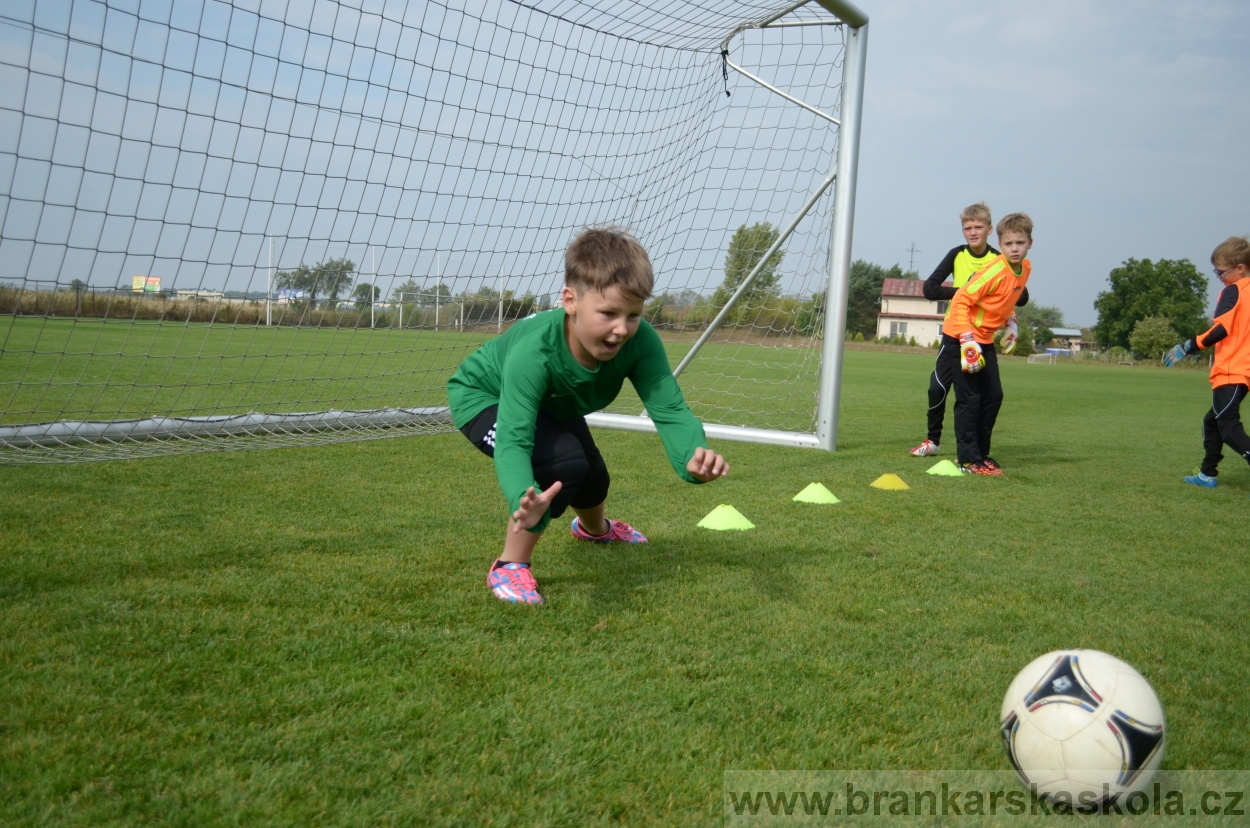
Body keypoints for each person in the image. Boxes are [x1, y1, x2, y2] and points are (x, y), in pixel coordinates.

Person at [447, 227, 730, 604]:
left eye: (633, 315)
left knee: (593, 474)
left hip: (554, 401)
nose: (622, 329)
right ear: (570, 300)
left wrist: (691, 454)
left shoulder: (641, 342)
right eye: (609, 313)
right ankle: (510, 565)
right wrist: (520, 497)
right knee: (562, 462)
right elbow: (514, 440)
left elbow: (670, 408)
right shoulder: (536, 354)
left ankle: (594, 530)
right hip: (483, 396)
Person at [910, 203, 1027, 456]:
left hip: (981, 335)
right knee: (938, 387)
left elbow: (1020, 295)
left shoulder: (1001, 257)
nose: (973, 232)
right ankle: (933, 441)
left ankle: (973, 454)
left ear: (989, 229)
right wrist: (966, 290)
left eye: (978, 227)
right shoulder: (957, 254)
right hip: (957, 330)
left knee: (980, 397)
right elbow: (930, 289)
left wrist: (1010, 318)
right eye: (968, 228)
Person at [939, 212, 1035, 475]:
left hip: (984, 339)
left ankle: (982, 455)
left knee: (993, 396)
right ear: (1000, 244)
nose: (1014, 249)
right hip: (960, 337)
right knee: (970, 398)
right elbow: (960, 301)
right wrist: (967, 339)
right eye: (1008, 244)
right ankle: (969, 461)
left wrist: (1010, 321)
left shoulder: (1025, 269)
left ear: (1030, 243)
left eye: (1020, 243)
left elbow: (1003, 300)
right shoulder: (993, 271)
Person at [1162, 236, 1250, 488]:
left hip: (1232, 370)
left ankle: (1208, 474)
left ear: (1240, 268)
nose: (1219, 277)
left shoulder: (1234, 290)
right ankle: (1207, 474)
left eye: (1221, 271)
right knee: (1213, 420)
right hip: (1243, 368)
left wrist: (1189, 345)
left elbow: (1221, 330)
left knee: (1229, 427)